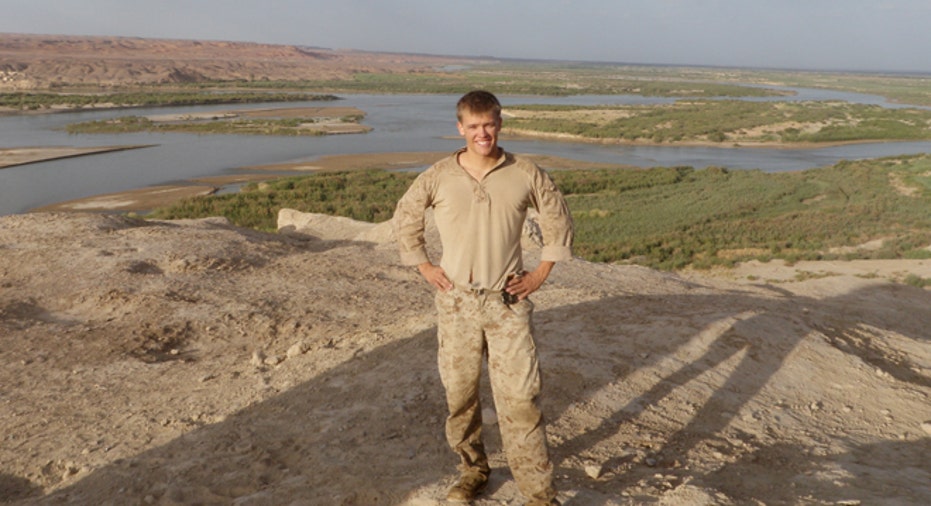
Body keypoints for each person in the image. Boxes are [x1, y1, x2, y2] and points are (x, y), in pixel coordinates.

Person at [394, 90, 572, 505]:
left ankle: (538, 494)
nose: (482, 133)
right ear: (460, 128)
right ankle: (472, 470)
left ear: (499, 124)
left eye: (489, 124)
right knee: (460, 396)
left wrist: (541, 272)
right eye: (473, 126)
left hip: (507, 305)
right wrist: (424, 265)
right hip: (457, 303)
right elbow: (406, 217)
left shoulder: (525, 173)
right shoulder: (439, 174)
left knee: (522, 400)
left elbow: (557, 218)